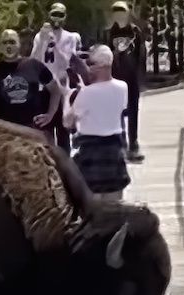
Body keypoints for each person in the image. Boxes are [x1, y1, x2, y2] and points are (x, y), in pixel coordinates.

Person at [63, 44, 130, 202]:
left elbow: (67, 122)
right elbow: (103, 100)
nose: (87, 67)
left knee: (92, 209)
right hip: (114, 150)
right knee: (115, 206)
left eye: (90, 63)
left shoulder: (86, 94)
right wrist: (84, 90)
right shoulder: (123, 87)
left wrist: (67, 97)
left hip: (91, 152)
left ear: (101, 66)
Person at [0, 29, 62, 136]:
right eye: (4, 43)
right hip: (6, 133)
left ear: (19, 44)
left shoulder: (34, 65)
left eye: (12, 42)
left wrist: (50, 114)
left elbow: (55, 90)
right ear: (0, 47)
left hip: (34, 129)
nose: (8, 46)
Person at [30, 2, 82, 154]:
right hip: (43, 88)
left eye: (60, 15)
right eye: (54, 14)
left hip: (61, 88)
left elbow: (67, 62)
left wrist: (54, 44)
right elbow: (34, 61)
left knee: (63, 133)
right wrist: (43, 42)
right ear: (49, 16)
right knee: (44, 131)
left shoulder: (70, 37)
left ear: (65, 17)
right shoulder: (40, 36)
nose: (57, 18)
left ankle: (65, 166)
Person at [105, 0, 145, 162]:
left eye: (122, 11)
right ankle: (120, 144)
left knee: (133, 111)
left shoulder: (135, 32)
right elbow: (103, 55)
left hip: (132, 78)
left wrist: (141, 76)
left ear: (128, 13)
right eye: (116, 11)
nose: (119, 14)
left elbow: (141, 55)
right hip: (114, 78)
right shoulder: (108, 33)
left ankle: (133, 144)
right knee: (117, 112)